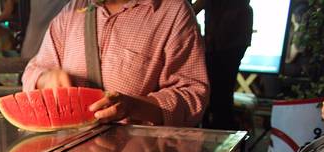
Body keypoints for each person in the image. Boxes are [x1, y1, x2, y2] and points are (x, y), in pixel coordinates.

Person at [22, 0, 209, 128]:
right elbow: (33, 71)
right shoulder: (73, 10)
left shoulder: (173, 12)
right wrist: (44, 79)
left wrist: (135, 107)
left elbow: (192, 96)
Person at [193, 0, 253, 130]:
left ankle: (217, 130)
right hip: (234, 34)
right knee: (223, 89)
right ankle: (222, 128)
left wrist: (180, 14)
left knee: (217, 91)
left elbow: (198, 5)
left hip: (224, 35)